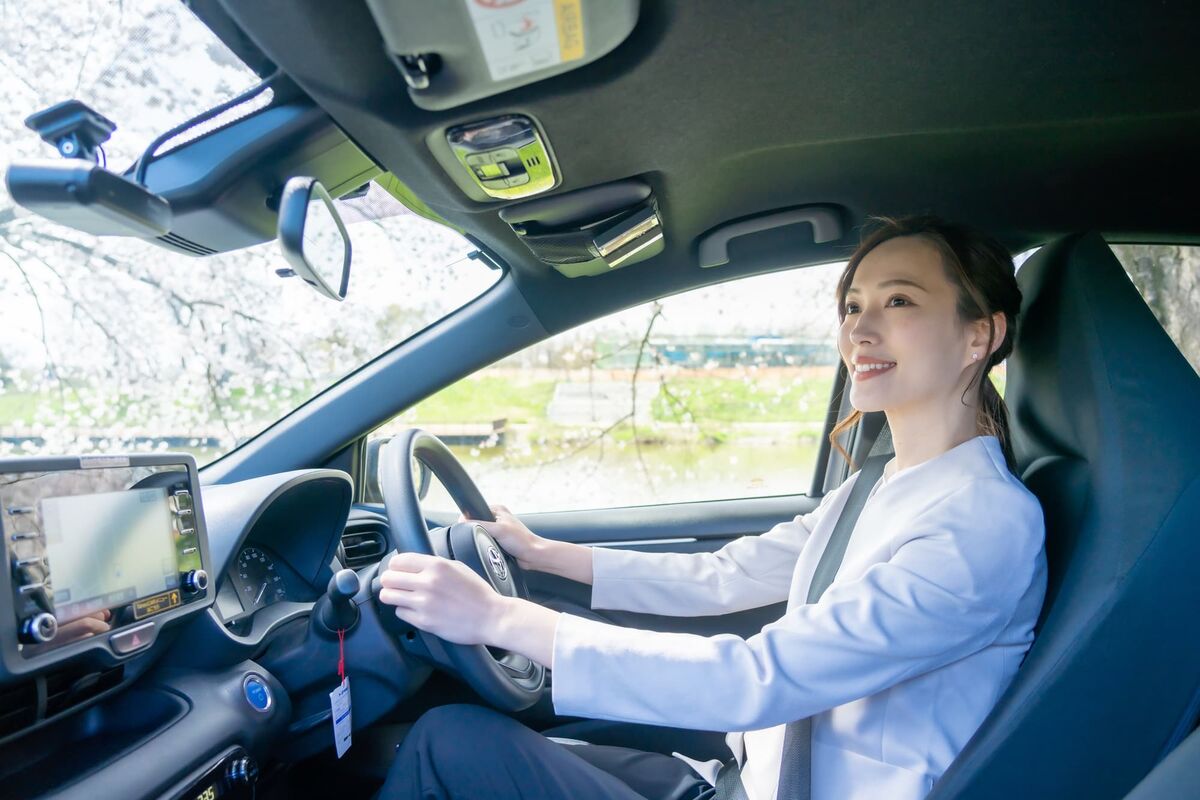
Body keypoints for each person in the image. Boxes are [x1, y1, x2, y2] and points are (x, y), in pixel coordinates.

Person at [376, 216, 1048, 800]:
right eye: (851, 306)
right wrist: (549, 556)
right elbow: (726, 575)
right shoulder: (884, 483)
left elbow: (759, 680)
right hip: (742, 779)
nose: (859, 331)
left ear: (978, 337)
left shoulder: (981, 524)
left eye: (898, 301)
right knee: (456, 740)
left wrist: (499, 616)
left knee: (447, 747)